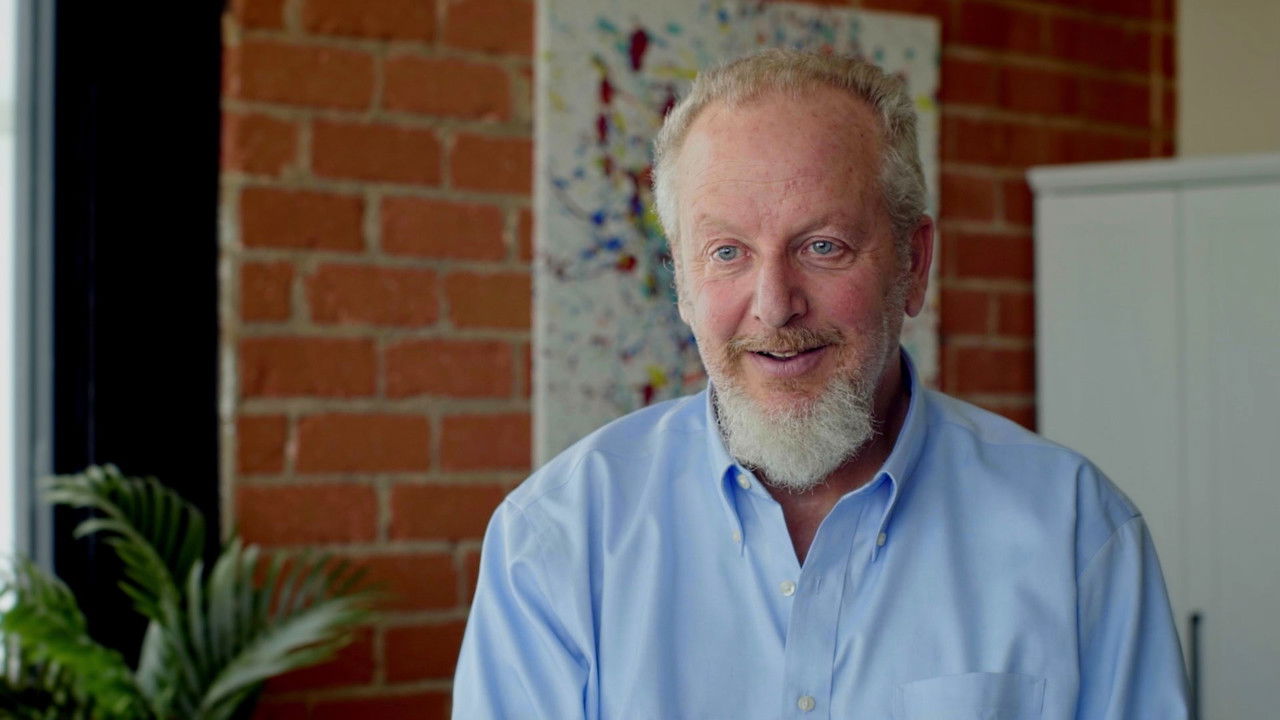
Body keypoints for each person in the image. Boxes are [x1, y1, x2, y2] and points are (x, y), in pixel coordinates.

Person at [453, 49, 1189, 720]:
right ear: (681, 281)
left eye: (823, 246)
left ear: (913, 264)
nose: (775, 305)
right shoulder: (555, 542)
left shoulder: (1077, 532)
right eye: (727, 252)